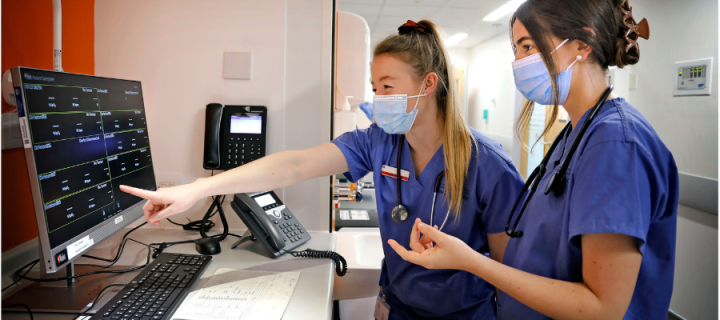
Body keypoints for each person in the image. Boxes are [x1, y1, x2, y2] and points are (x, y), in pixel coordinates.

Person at [121, 20, 524, 319]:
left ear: (428, 83)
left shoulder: (487, 164)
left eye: (387, 85)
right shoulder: (379, 142)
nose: (376, 97)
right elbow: (295, 164)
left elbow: (509, 273)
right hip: (396, 309)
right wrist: (197, 189)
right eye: (373, 86)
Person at [388, 1, 678, 319]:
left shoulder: (615, 145)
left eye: (527, 46)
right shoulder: (577, 133)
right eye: (516, 49)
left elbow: (602, 308)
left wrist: (470, 261)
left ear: (582, 43)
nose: (518, 62)